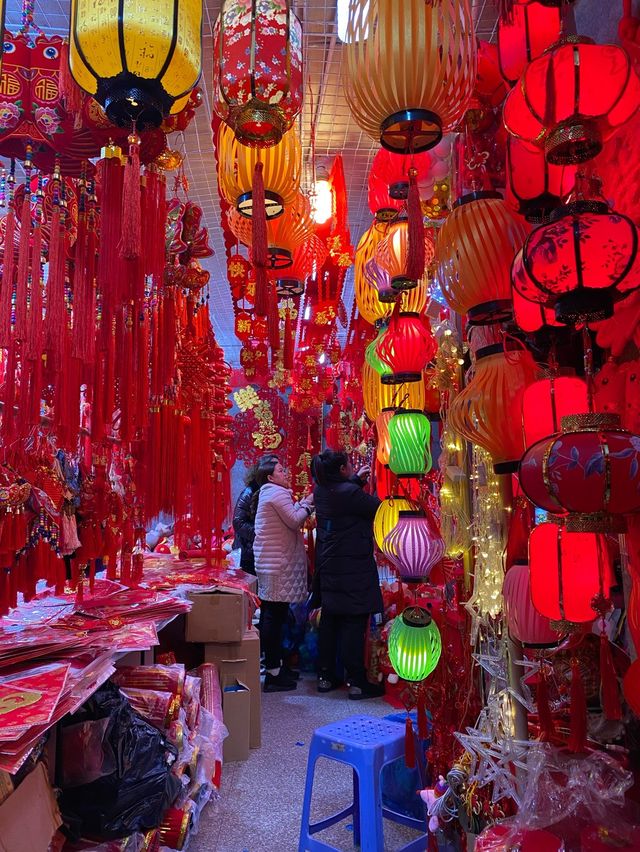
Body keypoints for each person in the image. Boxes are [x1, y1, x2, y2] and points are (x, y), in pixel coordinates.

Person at [311, 449, 385, 700]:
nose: (353, 466)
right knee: (353, 621)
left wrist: (356, 481)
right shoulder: (350, 494)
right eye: (350, 464)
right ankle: (357, 681)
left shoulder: (321, 491)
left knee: (330, 621)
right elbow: (380, 509)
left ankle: (325, 676)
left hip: (330, 565)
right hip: (352, 567)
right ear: (342, 469)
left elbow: (341, 496)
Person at [253, 458, 314, 693]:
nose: (285, 472)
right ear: (270, 477)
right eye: (280, 470)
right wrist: (308, 503)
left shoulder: (269, 493)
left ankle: (276, 668)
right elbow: (294, 520)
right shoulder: (276, 493)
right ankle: (273, 674)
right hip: (276, 565)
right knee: (273, 618)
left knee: (273, 615)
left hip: (270, 563)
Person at [232, 454, 278, 575]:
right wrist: (260, 535)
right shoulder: (250, 491)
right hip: (249, 552)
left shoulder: (275, 492)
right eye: (273, 466)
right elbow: (238, 522)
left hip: (266, 552)